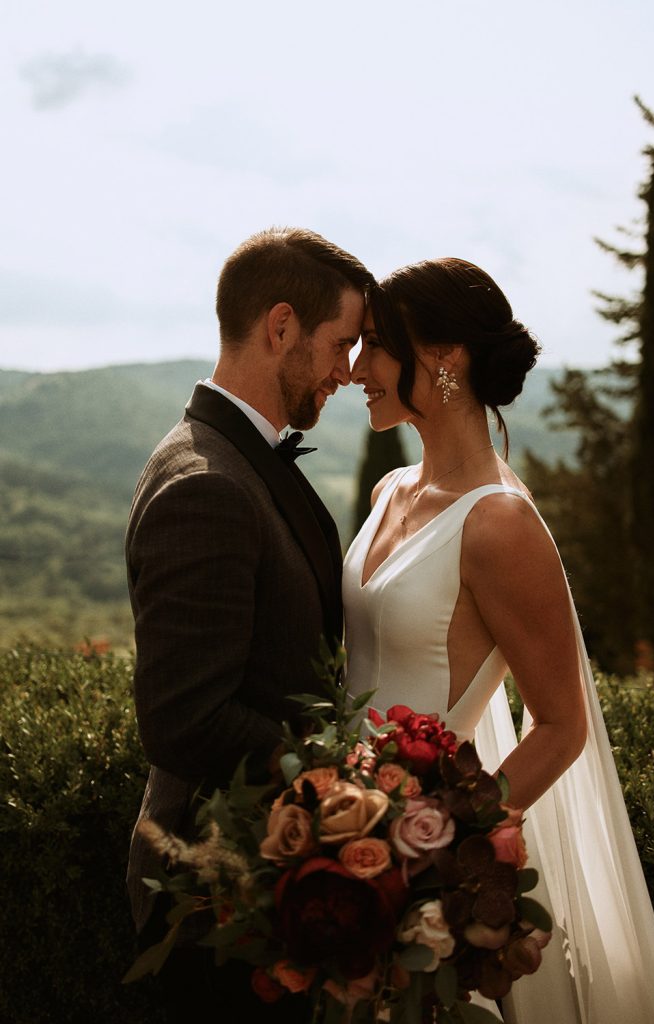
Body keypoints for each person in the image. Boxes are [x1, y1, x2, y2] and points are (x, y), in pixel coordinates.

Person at [343, 257, 654, 1023]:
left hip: (421, 868)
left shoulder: (499, 523)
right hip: (347, 843)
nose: (356, 368)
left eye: (374, 344)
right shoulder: (388, 490)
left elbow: (561, 725)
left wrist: (443, 849)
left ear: (443, 357)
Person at [125, 226, 373, 1022]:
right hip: (218, 897)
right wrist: (349, 782)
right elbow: (185, 719)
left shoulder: (239, 458)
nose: (348, 369)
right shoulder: (210, 483)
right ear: (279, 327)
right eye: (341, 343)